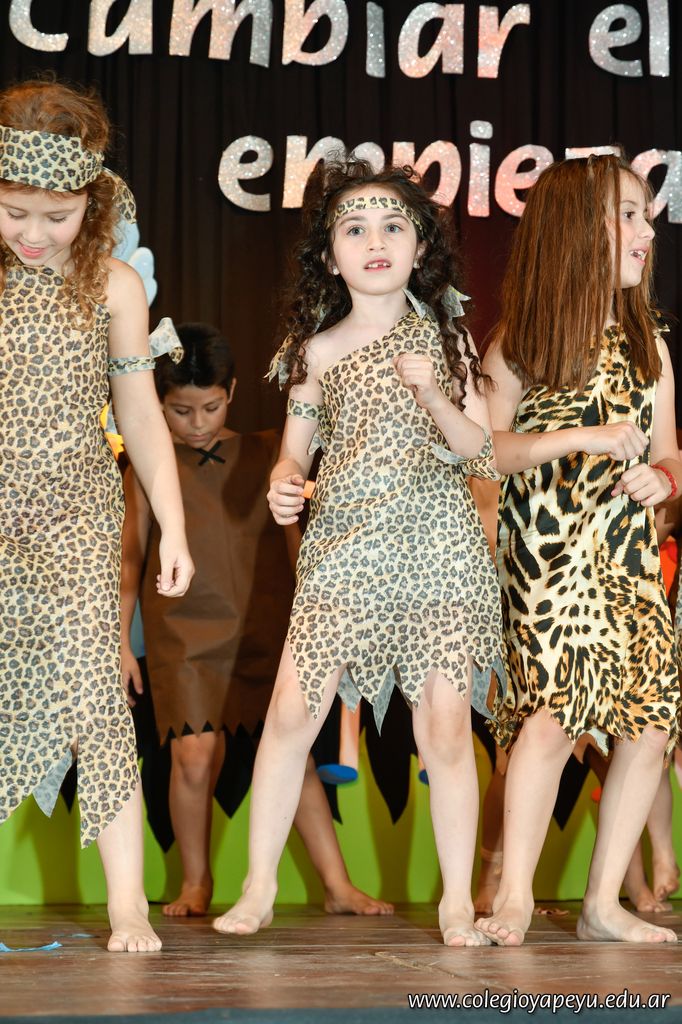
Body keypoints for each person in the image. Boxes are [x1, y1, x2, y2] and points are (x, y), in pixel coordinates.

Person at [213, 157, 505, 947]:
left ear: (420, 247)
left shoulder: (448, 338)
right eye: (354, 229)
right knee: (290, 714)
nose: (375, 242)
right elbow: (293, 454)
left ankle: (455, 902)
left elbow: (481, 452)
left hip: (439, 550)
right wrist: (283, 483)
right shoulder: (314, 350)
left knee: (445, 727)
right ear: (329, 255)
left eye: (392, 226)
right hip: (344, 547)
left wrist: (433, 392)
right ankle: (260, 886)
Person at [0, 79, 193, 953]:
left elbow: (141, 416)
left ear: (94, 199)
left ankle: (127, 905)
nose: (35, 234)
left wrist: (174, 525)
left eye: (58, 216)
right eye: (15, 213)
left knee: (96, 701)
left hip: (76, 516)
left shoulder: (113, 285)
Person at [120, 321, 393, 920]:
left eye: (210, 407)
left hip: (267, 623)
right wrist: (119, 642)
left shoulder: (271, 451)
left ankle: (337, 885)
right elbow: (130, 559)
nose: (197, 424)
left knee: (290, 755)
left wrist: (320, 619)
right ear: (157, 403)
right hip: (183, 632)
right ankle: (196, 882)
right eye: (180, 411)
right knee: (194, 756)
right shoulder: (145, 467)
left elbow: (297, 545)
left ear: (233, 392)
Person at [477, 154, 681, 946]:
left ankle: (602, 905)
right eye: (628, 213)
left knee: (650, 726)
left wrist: (664, 479)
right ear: (573, 229)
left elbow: (669, 450)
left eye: (646, 215)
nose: (646, 230)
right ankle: (515, 898)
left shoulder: (650, 344)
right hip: (548, 558)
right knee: (554, 717)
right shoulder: (519, 344)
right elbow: (484, 453)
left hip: (628, 560)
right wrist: (578, 439)